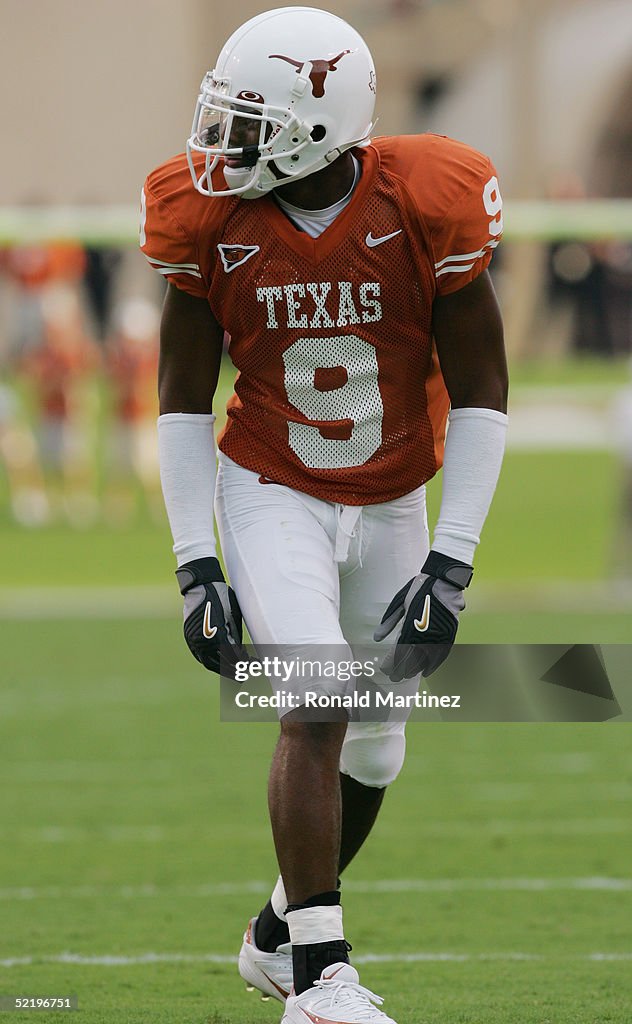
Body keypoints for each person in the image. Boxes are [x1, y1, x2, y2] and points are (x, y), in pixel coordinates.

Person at [141, 7, 508, 1023]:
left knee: (378, 744)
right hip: (271, 486)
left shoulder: (423, 198)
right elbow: (180, 395)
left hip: (391, 492)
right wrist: (193, 564)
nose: (220, 144)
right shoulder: (206, 218)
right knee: (315, 690)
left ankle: (272, 937)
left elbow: (481, 388)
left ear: (317, 123)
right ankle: (319, 977)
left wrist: (449, 563)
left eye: (247, 122)